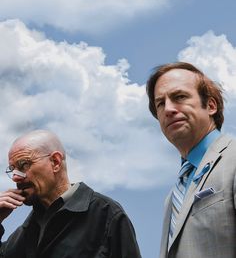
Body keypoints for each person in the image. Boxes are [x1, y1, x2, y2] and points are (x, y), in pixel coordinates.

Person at [0, 129, 142, 258]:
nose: (15, 177)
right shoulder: (26, 231)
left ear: (55, 162)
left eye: (24, 165)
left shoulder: (107, 215)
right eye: (12, 170)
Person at [146, 62, 236, 258]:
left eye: (179, 97)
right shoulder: (172, 197)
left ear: (211, 105)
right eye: (160, 103)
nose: (168, 109)